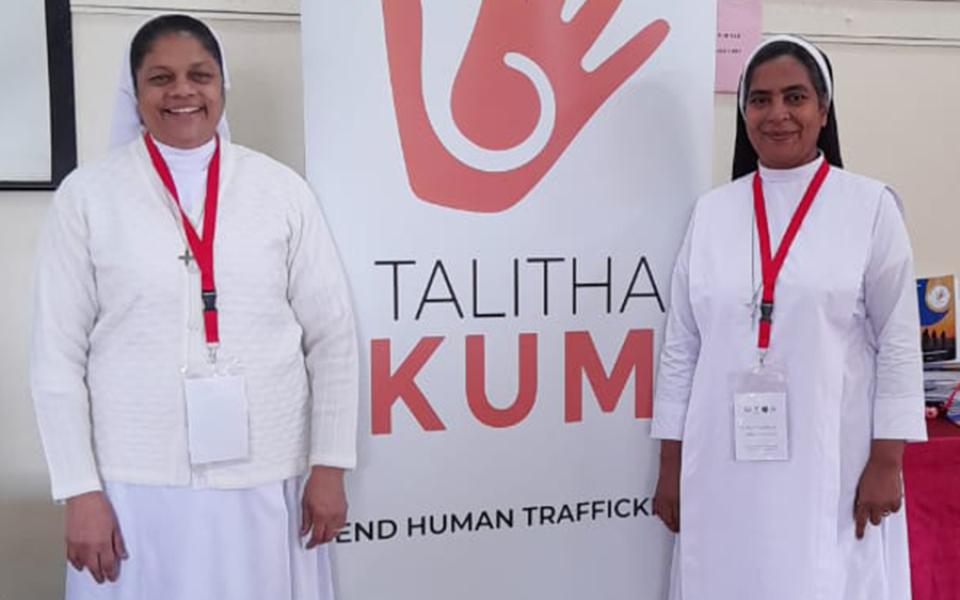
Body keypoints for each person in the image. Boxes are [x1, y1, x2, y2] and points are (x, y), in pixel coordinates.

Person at [30, 14, 358, 599]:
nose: (182, 91)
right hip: (134, 488)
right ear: (135, 93)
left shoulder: (281, 191)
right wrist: (79, 490)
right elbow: (56, 355)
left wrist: (329, 465)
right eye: (160, 77)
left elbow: (331, 336)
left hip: (264, 478)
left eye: (199, 75)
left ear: (221, 85)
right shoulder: (88, 197)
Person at [650, 35, 926, 600]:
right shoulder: (712, 212)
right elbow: (683, 346)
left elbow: (899, 342)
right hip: (720, 457)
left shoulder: (870, 207)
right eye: (760, 99)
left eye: (795, 97)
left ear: (823, 111)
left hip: (833, 458)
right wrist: (671, 463)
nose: (777, 114)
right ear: (744, 112)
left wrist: (887, 461)